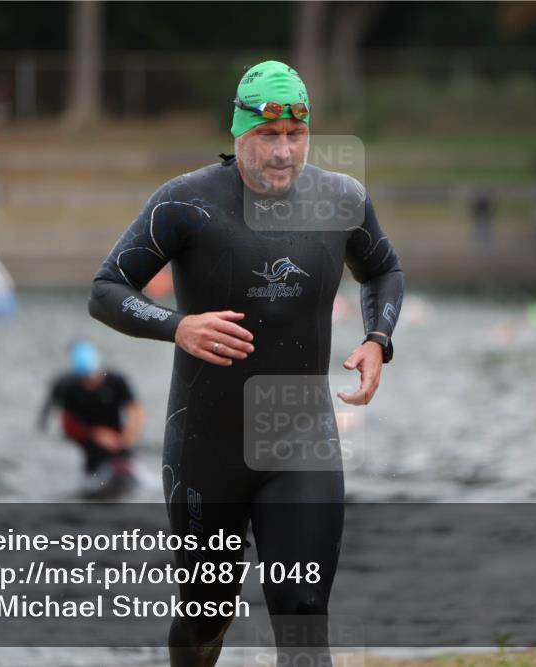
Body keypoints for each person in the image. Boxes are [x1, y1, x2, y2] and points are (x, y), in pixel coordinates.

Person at [89, 60, 404, 666]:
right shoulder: (185, 203)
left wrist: (377, 339)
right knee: (206, 613)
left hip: (301, 442)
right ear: (239, 132)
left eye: (295, 135)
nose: (283, 152)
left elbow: (384, 269)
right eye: (267, 136)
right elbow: (107, 290)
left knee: (304, 611)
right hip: (207, 448)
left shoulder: (342, 200)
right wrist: (179, 326)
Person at [38, 340, 145, 498]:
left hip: (116, 434)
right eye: (85, 379)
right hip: (85, 435)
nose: (90, 381)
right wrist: (94, 434)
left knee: (126, 471)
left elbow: (136, 410)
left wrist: (129, 435)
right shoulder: (66, 385)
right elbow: (65, 423)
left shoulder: (116, 381)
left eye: (93, 377)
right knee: (91, 481)